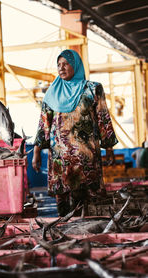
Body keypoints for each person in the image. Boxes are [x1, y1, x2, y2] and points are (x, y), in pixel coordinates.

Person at [32, 49, 118, 217]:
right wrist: (36, 152)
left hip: (86, 158)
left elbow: (103, 119)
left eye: (66, 64)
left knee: (88, 206)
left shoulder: (93, 89)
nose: (61, 68)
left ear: (76, 65)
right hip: (60, 160)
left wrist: (109, 149)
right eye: (58, 65)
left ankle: (88, 239)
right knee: (64, 211)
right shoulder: (51, 93)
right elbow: (44, 124)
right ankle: (66, 238)